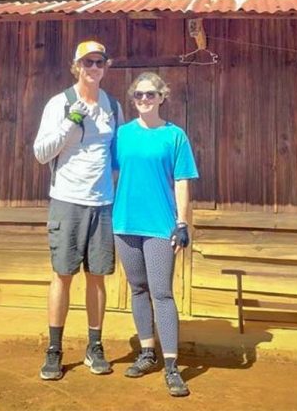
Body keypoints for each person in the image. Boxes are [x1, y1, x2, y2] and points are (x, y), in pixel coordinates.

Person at [33, 40, 124, 381]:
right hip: (67, 200)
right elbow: (41, 153)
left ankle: (94, 345)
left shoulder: (113, 106)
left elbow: (117, 157)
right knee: (62, 274)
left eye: (99, 62)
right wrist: (70, 122)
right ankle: (54, 350)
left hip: (102, 202)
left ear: (105, 66)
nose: (93, 68)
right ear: (76, 66)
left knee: (97, 277)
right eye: (87, 62)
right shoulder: (59, 103)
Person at [112, 71, 199, 397]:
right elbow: (105, 172)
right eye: (139, 95)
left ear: (162, 97)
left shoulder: (175, 137)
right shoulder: (121, 136)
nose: (145, 100)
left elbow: (182, 181)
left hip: (161, 227)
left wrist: (182, 223)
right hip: (124, 224)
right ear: (133, 99)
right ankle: (147, 353)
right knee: (137, 289)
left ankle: (173, 365)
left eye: (151, 94)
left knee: (161, 292)